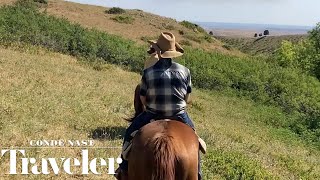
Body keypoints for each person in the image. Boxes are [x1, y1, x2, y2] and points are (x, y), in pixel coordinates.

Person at [116, 32, 202, 180]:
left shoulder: (148, 72)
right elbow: (187, 97)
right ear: (173, 52)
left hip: (152, 114)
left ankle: (123, 168)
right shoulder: (185, 71)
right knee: (194, 139)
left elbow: (143, 97)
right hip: (179, 114)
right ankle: (198, 172)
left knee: (129, 133)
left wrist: (150, 105)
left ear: (158, 52)